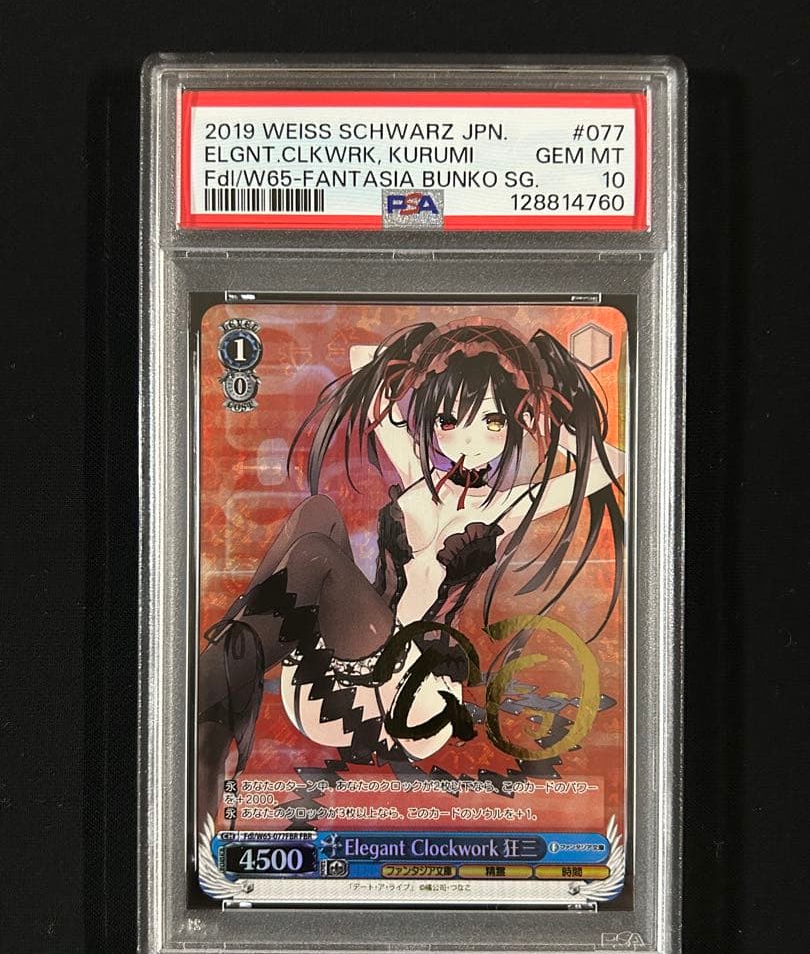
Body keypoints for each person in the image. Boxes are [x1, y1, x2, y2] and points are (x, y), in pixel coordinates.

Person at [197, 317, 624, 826]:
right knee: (317, 515)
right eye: (450, 419)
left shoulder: (506, 506)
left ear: (514, 424)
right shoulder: (415, 470)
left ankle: (219, 671)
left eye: (491, 421)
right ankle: (222, 681)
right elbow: (364, 360)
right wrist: (429, 357)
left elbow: (615, 464)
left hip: (407, 681)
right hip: (356, 643)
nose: (469, 439)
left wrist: (544, 418)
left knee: (314, 551)